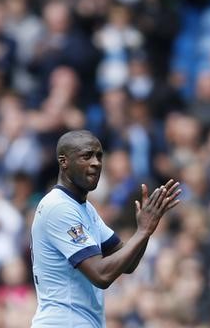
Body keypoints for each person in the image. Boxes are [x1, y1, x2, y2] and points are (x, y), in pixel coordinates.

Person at [30, 130, 180, 327]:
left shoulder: (84, 208)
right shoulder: (59, 207)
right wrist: (142, 231)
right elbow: (101, 275)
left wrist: (146, 231)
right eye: (87, 156)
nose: (96, 163)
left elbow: (128, 264)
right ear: (63, 161)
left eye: (99, 156)